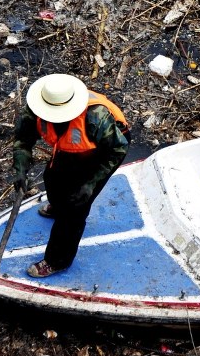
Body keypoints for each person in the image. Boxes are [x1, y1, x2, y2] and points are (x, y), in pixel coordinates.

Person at [12, 73, 129, 279]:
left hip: (104, 149)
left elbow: (117, 150)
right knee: (52, 178)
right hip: (68, 146)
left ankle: (57, 261)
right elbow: (23, 140)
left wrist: (91, 183)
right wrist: (20, 170)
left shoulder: (96, 118)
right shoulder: (35, 110)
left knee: (75, 208)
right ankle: (56, 207)